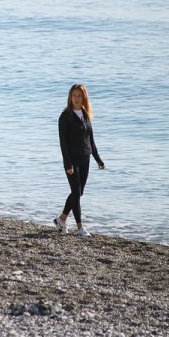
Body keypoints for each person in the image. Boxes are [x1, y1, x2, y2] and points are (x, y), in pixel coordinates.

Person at [54, 83, 104, 236]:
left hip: (85, 158)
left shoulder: (85, 114)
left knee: (79, 192)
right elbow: (63, 142)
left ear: (84, 98)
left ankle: (61, 219)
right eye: (74, 95)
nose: (76, 98)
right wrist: (67, 163)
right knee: (76, 192)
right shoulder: (65, 116)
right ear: (70, 97)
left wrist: (98, 158)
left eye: (79, 95)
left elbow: (91, 139)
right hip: (72, 160)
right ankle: (80, 228)